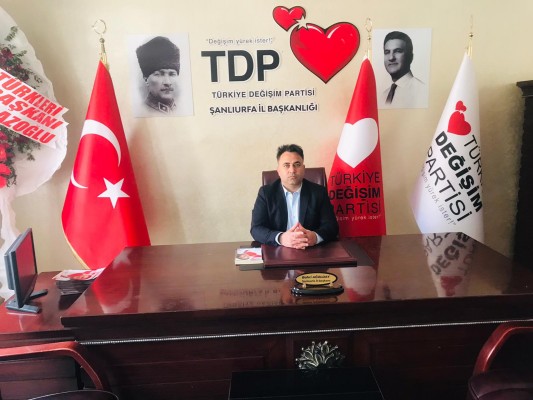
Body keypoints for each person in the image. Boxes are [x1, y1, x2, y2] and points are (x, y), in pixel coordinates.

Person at [251, 144, 339, 249]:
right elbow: (256, 229)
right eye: (286, 165)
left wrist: (315, 237)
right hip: (277, 250)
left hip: (311, 250)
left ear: (303, 168)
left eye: (297, 164)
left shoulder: (318, 192)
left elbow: (332, 226)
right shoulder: (266, 193)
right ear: (278, 170)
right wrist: (281, 238)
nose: (292, 170)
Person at [136, 36, 180, 114]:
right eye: (159, 74)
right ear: (146, 79)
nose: (167, 82)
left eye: (172, 74)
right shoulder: (141, 112)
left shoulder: (180, 110)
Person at [382, 31, 425, 108]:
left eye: (398, 51)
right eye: (387, 52)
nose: (391, 58)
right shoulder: (383, 96)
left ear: (410, 57)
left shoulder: (422, 91)